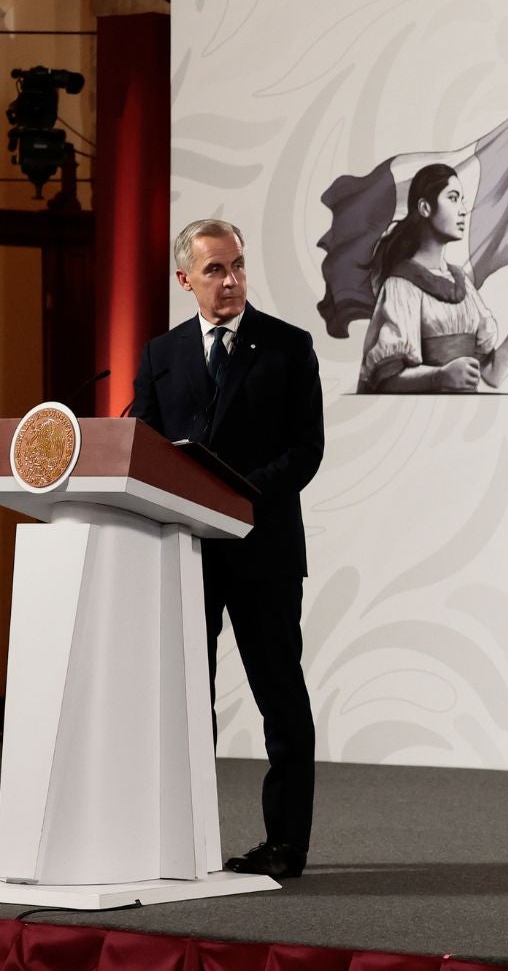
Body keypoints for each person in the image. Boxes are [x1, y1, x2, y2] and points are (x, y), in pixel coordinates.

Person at [129, 219, 324, 880]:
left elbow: (305, 452)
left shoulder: (288, 348)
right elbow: (144, 447)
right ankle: (188, 841)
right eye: (214, 270)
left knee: (282, 700)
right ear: (186, 279)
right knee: (188, 702)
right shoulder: (161, 354)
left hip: (263, 550)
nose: (231, 279)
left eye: (237, 265)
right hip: (188, 553)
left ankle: (286, 846)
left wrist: (236, 495)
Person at [357, 163, 508, 392]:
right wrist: (439, 377)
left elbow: (492, 374)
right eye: (453, 198)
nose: (463, 209)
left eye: (462, 199)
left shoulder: (462, 284)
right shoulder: (401, 286)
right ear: (425, 207)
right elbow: (386, 380)